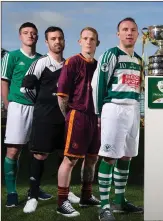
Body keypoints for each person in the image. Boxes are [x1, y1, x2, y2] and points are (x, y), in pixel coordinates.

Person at [91, 17, 144, 221]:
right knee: (110, 156)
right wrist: (98, 113)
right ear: (118, 34)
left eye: (133, 30)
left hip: (132, 109)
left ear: (138, 34)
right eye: (125, 29)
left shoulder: (139, 59)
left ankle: (120, 200)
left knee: (126, 156)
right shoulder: (110, 55)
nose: (129, 33)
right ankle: (104, 205)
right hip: (114, 108)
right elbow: (98, 85)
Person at [1, 22, 52, 208]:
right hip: (18, 107)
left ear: (38, 37)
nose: (30, 35)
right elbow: (3, 81)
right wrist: (8, 104)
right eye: (26, 32)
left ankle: (34, 189)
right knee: (13, 151)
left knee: (38, 151)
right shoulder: (11, 56)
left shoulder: (43, 59)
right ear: (20, 36)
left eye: (33, 33)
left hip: (38, 109)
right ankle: (12, 192)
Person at [56, 27, 103, 217]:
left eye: (92, 39)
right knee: (71, 160)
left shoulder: (99, 65)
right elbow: (62, 96)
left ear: (97, 43)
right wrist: (69, 116)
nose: (89, 42)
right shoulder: (73, 62)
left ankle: (86, 195)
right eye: (85, 38)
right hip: (78, 115)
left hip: (95, 117)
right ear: (79, 41)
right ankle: (62, 202)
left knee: (92, 158)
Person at [20, 26, 65, 213]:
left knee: (66, 156)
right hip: (44, 117)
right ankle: (33, 195)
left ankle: (66, 193)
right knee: (40, 155)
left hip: (65, 118)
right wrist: (41, 103)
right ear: (46, 42)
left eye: (60, 38)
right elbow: (26, 88)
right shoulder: (40, 63)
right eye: (53, 38)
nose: (57, 41)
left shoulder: (70, 64)